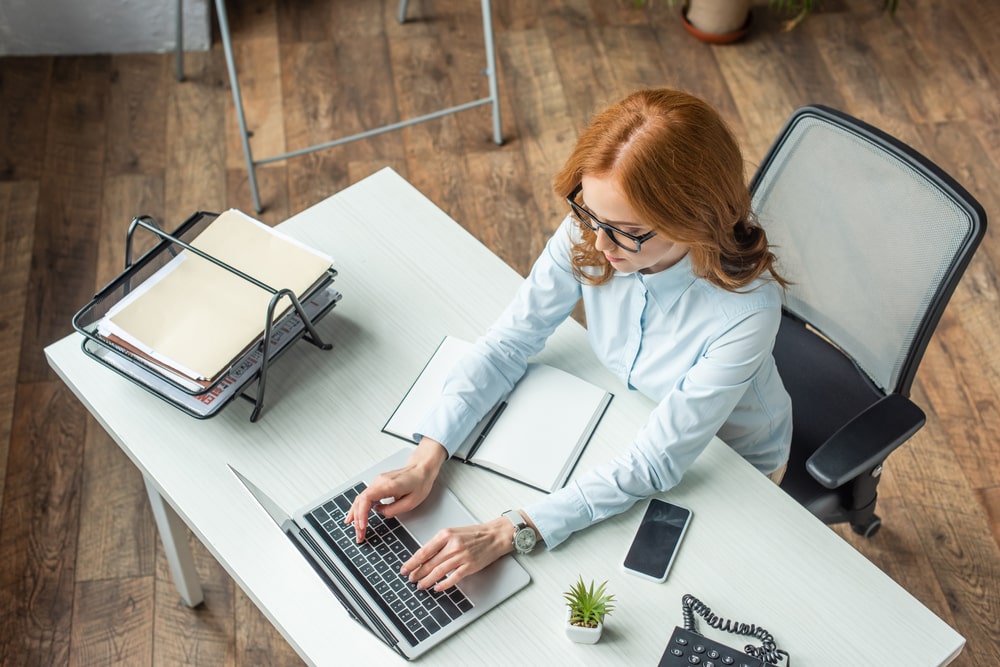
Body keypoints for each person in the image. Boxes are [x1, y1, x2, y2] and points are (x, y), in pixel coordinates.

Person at [347, 88, 792, 593]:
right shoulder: (597, 228)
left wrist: (510, 528)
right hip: (637, 412)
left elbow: (654, 462)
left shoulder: (747, 311)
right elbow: (508, 343)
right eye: (591, 217)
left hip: (732, 462)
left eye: (627, 232)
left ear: (695, 217)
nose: (600, 246)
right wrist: (425, 460)